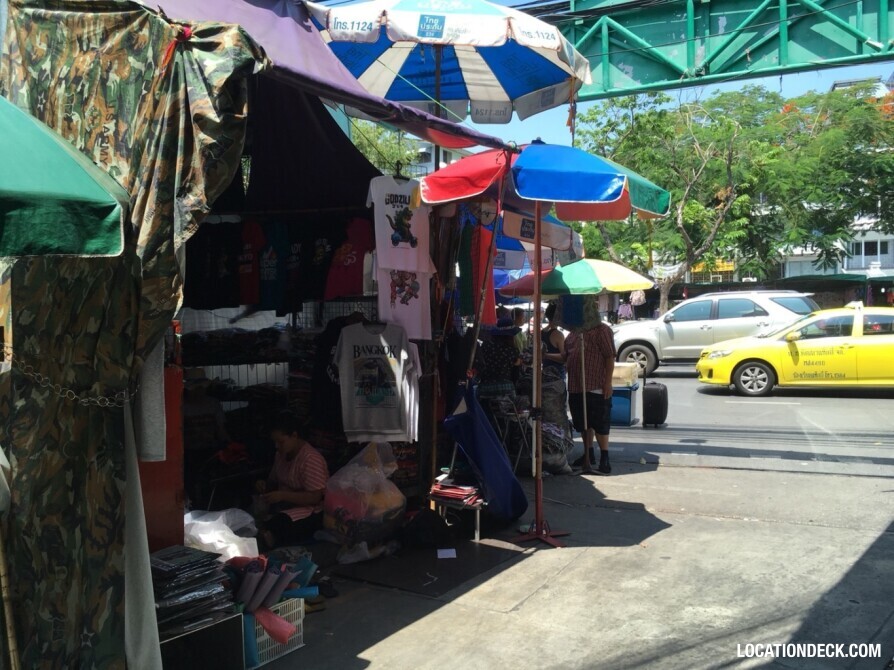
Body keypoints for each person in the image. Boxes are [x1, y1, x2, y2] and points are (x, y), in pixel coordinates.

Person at [255, 411, 330, 549]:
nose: (277, 446)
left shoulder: (310, 459)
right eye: (275, 442)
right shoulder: (280, 455)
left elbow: (315, 497)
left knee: (280, 525)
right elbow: (272, 481)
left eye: (281, 442)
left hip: (312, 510)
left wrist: (283, 495)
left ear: (294, 436)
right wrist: (263, 485)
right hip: (284, 506)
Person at [564, 312, 616, 475]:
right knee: (583, 423)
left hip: (596, 385)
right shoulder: (573, 335)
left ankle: (604, 458)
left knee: (600, 422)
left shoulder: (602, 330)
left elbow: (609, 356)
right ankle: (589, 454)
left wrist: (607, 382)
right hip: (576, 385)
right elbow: (566, 356)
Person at [476, 317, 523, 402]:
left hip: (485, 389)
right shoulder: (512, 350)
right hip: (506, 390)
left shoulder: (485, 346)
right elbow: (515, 374)